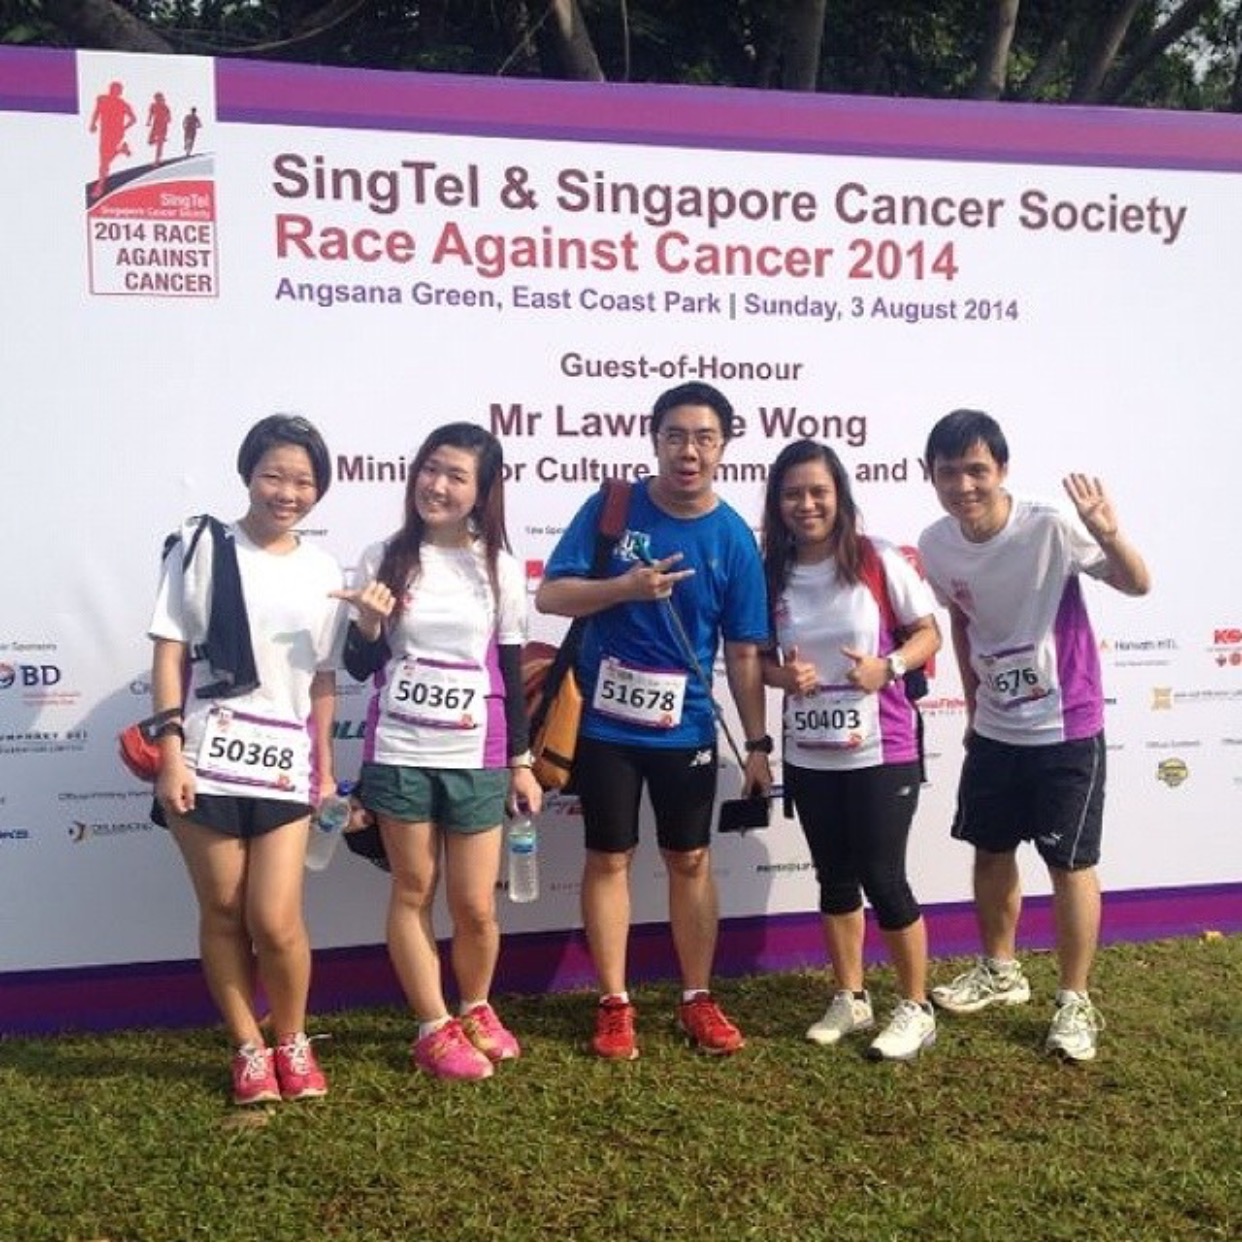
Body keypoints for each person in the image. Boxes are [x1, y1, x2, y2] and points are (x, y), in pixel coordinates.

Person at [535, 381, 771, 1061]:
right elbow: (551, 595)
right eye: (675, 436)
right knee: (608, 857)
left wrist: (757, 743)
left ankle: (697, 996)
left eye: (704, 438)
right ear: (655, 441)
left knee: (690, 859)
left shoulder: (733, 538)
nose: (688, 451)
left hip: (687, 728)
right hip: (606, 727)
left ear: (723, 446)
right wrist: (624, 588)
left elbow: (744, 652)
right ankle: (614, 1003)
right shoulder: (613, 507)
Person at [918, 409, 1151, 1062]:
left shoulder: (1048, 524)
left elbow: (1138, 584)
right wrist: (973, 708)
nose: (964, 486)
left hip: (1066, 724)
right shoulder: (935, 543)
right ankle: (1001, 971)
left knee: (1069, 864)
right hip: (996, 727)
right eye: (949, 473)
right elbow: (961, 621)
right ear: (930, 475)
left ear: (1002, 469)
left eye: (977, 470)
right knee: (990, 850)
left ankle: (1074, 1000)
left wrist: (1109, 534)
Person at [148, 414, 345, 1105]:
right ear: (248, 475)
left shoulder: (324, 570)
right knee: (224, 910)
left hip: (283, 761)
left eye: (303, 481)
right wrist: (170, 752)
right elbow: (169, 652)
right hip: (205, 757)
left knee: (276, 919)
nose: (287, 493)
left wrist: (324, 765)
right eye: (273, 476)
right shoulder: (201, 548)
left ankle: (291, 1038)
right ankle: (248, 1048)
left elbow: (323, 679)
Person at [338, 423, 541, 1082]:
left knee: (476, 903)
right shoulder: (383, 557)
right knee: (414, 889)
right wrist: (369, 622)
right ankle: (432, 1026)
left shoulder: (499, 568)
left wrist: (520, 762)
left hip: (475, 753)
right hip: (400, 749)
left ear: (482, 491)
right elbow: (360, 663)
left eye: (456, 476)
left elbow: (508, 670)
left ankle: (476, 1007)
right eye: (430, 469)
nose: (438, 485)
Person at [760, 440, 942, 1060]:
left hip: (881, 748)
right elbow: (756, 661)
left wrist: (888, 667)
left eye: (819, 491)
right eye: (792, 494)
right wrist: (783, 677)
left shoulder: (876, 557)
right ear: (777, 503)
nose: (806, 504)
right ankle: (852, 996)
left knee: (884, 878)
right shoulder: (770, 572)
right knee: (834, 878)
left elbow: (928, 634)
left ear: (839, 496)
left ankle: (915, 1007)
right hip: (811, 751)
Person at [146, 92, 171, 164]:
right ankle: (160, 141)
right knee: (150, 141)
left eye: (159, 98)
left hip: (163, 125)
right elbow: (150, 114)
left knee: (160, 144)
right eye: (156, 98)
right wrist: (148, 121)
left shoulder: (165, 106)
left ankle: (158, 159)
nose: (157, 100)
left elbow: (169, 117)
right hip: (155, 124)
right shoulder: (153, 105)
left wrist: (167, 119)